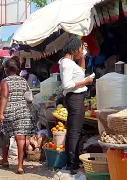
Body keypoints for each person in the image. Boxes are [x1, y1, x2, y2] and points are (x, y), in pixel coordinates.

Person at [59, 36, 93, 173]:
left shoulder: (70, 63)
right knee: (74, 132)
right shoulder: (67, 63)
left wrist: (83, 57)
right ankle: (72, 164)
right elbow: (67, 84)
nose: (81, 50)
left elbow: (81, 73)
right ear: (75, 49)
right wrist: (86, 82)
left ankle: (72, 162)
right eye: (80, 48)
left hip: (76, 98)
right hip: (74, 98)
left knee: (74, 130)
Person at [0, 57, 35, 174]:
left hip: (10, 111)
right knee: (21, 138)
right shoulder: (23, 81)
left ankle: (5, 160)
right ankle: (20, 166)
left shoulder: (5, 81)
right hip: (23, 111)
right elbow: (28, 96)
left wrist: (1, 113)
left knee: (6, 136)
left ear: (6, 69)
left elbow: (4, 97)